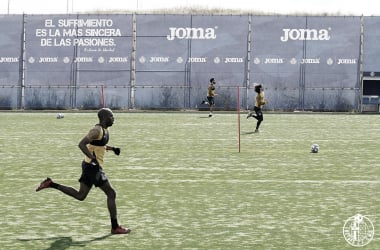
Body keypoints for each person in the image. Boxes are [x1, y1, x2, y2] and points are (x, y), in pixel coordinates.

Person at [36, 108, 131, 235]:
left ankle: (51, 184)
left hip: (89, 166)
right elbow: (81, 144)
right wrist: (93, 159)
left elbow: (98, 145)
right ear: (104, 118)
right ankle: (115, 227)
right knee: (111, 193)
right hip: (92, 167)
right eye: (111, 116)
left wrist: (112, 149)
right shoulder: (96, 130)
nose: (114, 119)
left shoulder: (105, 130)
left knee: (81, 195)